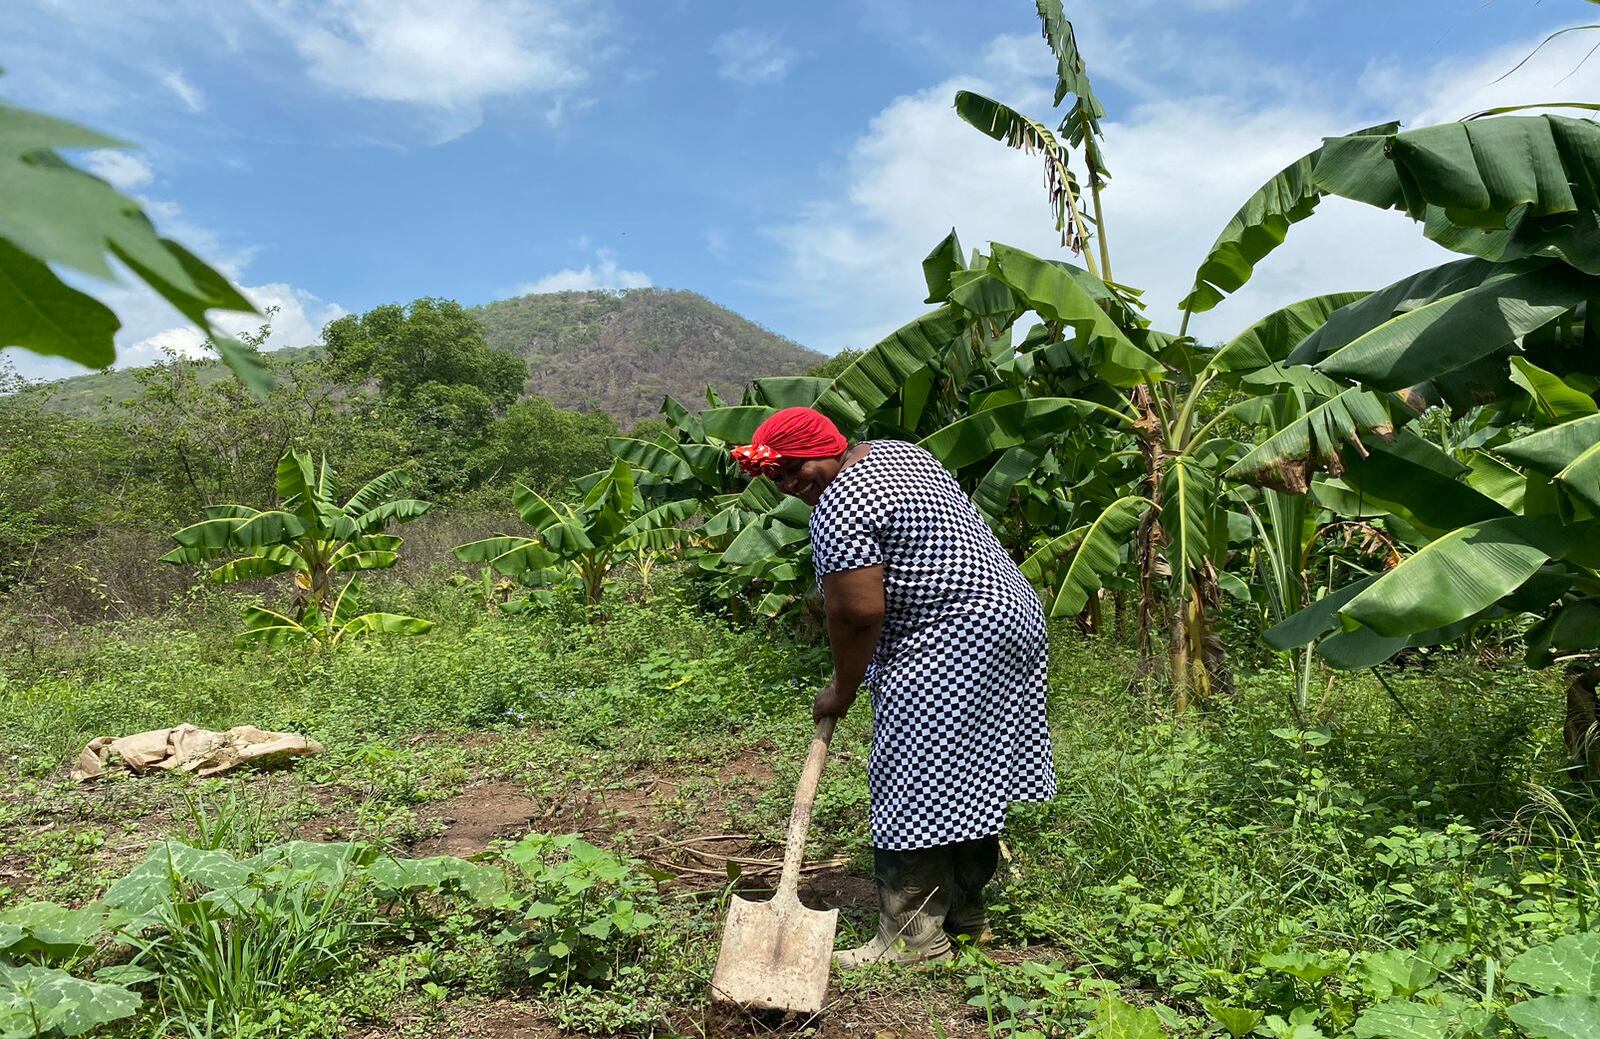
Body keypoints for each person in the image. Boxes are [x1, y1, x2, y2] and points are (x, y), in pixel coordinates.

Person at [730, 406, 1057, 966]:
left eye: (792, 469)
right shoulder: (897, 453)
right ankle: (964, 917)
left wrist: (842, 689)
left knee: (913, 780)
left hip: (950, 636)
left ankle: (912, 940)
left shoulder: (843, 503)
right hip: (1010, 619)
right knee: (971, 774)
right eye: (775, 476)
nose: (787, 485)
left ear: (827, 447)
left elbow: (857, 613)